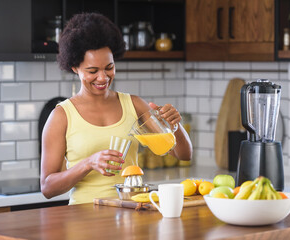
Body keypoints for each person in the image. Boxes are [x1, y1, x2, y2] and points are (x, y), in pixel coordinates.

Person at [40, 12, 192, 205]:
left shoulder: (134, 105)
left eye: (109, 67)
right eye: (92, 71)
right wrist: (88, 163)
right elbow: (47, 187)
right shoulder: (61, 116)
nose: (103, 77)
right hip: (82, 220)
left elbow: (183, 154)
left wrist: (174, 127)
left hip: (131, 215)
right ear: (74, 68)